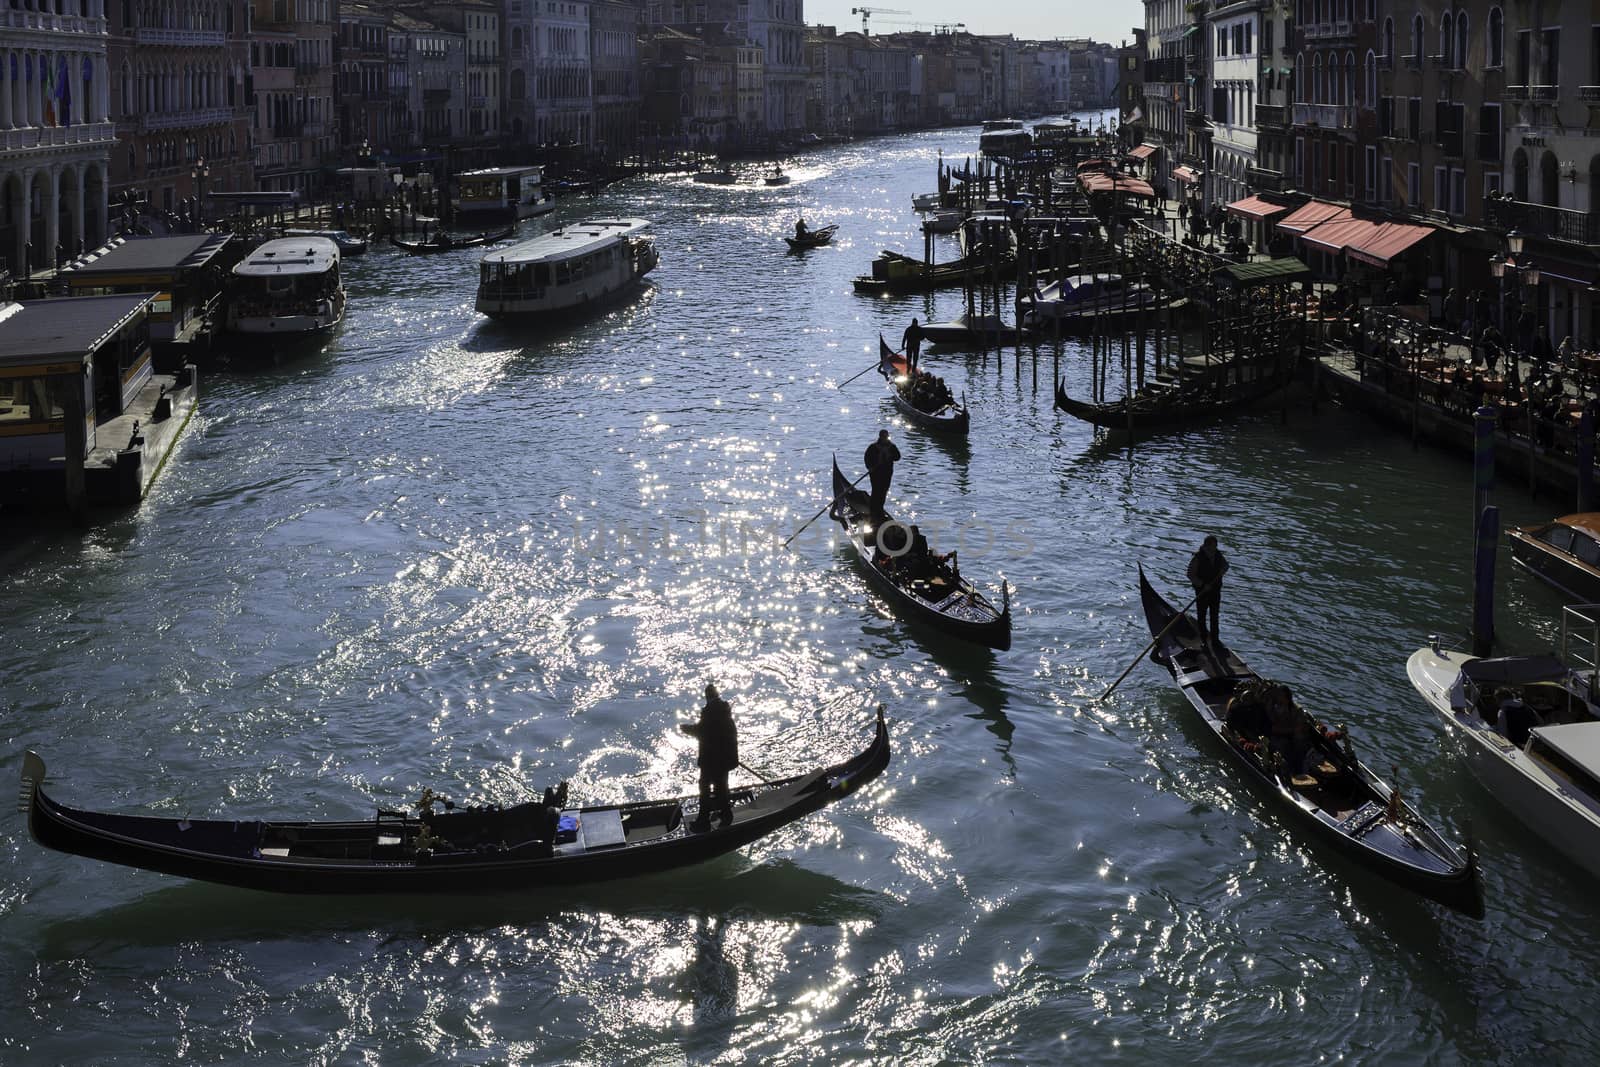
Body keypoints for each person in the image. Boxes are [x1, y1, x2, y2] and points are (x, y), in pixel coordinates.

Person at [681, 684, 738, 831]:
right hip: (722, 759)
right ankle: (724, 815)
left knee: (705, 788)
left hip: (712, 760)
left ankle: (704, 821)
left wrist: (686, 729)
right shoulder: (724, 712)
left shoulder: (710, 712)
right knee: (721, 787)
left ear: (707, 696)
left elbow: (702, 731)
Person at [1186, 534, 1229, 648]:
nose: (1214, 548)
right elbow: (1190, 574)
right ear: (1206, 546)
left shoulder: (1218, 555)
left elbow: (1226, 566)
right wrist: (1202, 585)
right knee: (1202, 616)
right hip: (1202, 592)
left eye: (1215, 546)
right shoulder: (1198, 558)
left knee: (1214, 616)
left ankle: (1215, 641)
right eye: (1212, 546)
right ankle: (1204, 640)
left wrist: (1222, 570)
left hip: (1215, 591)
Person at [864, 429, 901, 519]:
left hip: (887, 473)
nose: (885, 438)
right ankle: (873, 510)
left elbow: (898, 457)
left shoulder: (892, 447)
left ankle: (880, 509)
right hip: (875, 473)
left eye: (886, 437)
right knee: (876, 490)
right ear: (880, 437)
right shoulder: (873, 447)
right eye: (884, 437)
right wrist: (870, 467)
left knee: (884, 491)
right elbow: (867, 458)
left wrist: (890, 456)